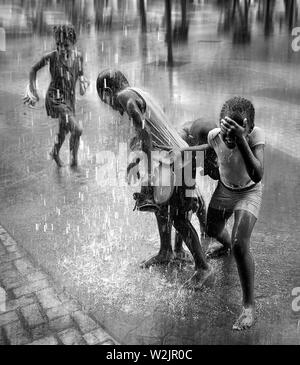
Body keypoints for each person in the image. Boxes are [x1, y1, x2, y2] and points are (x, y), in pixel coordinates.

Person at [96, 69, 214, 289]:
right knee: (161, 207)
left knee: (178, 217)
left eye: (105, 101)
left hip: (175, 159)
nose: (110, 106)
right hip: (176, 155)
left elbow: (145, 134)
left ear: (108, 91)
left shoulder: (125, 97)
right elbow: (145, 131)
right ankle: (166, 251)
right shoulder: (139, 93)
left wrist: (148, 172)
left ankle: (203, 267)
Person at [204, 96, 265, 330]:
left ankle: (248, 306)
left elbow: (258, 173)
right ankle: (229, 246)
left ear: (248, 128)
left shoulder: (255, 136)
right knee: (211, 229)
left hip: (249, 191)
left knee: (241, 245)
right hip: (226, 189)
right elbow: (212, 153)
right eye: (225, 131)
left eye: (236, 133)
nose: (228, 138)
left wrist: (241, 140)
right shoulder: (214, 135)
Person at [23, 25, 89, 167]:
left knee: (63, 131)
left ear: (73, 43)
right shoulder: (52, 57)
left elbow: (81, 75)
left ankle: (55, 152)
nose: (62, 49)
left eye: (66, 45)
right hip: (55, 98)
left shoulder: (79, 57)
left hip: (69, 99)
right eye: (58, 45)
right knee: (77, 129)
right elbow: (33, 69)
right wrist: (33, 89)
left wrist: (83, 82)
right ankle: (74, 162)